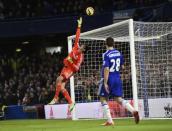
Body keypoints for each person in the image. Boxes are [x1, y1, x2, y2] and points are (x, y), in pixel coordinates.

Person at [98, 37, 139, 126]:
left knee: (103, 98)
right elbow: (122, 67)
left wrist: (105, 82)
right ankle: (133, 110)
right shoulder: (118, 53)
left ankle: (110, 120)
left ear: (106, 44)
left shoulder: (106, 54)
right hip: (117, 77)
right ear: (114, 43)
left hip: (109, 78)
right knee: (118, 99)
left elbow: (106, 69)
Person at [49, 17, 87, 112]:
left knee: (58, 79)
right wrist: (79, 26)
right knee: (61, 87)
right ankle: (71, 103)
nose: (81, 46)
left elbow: (77, 68)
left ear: (84, 50)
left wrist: (70, 61)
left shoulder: (80, 57)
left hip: (70, 70)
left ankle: (55, 98)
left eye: (83, 47)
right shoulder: (76, 47)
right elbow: (77, 36)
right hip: (65, 68)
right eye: (81, 45)